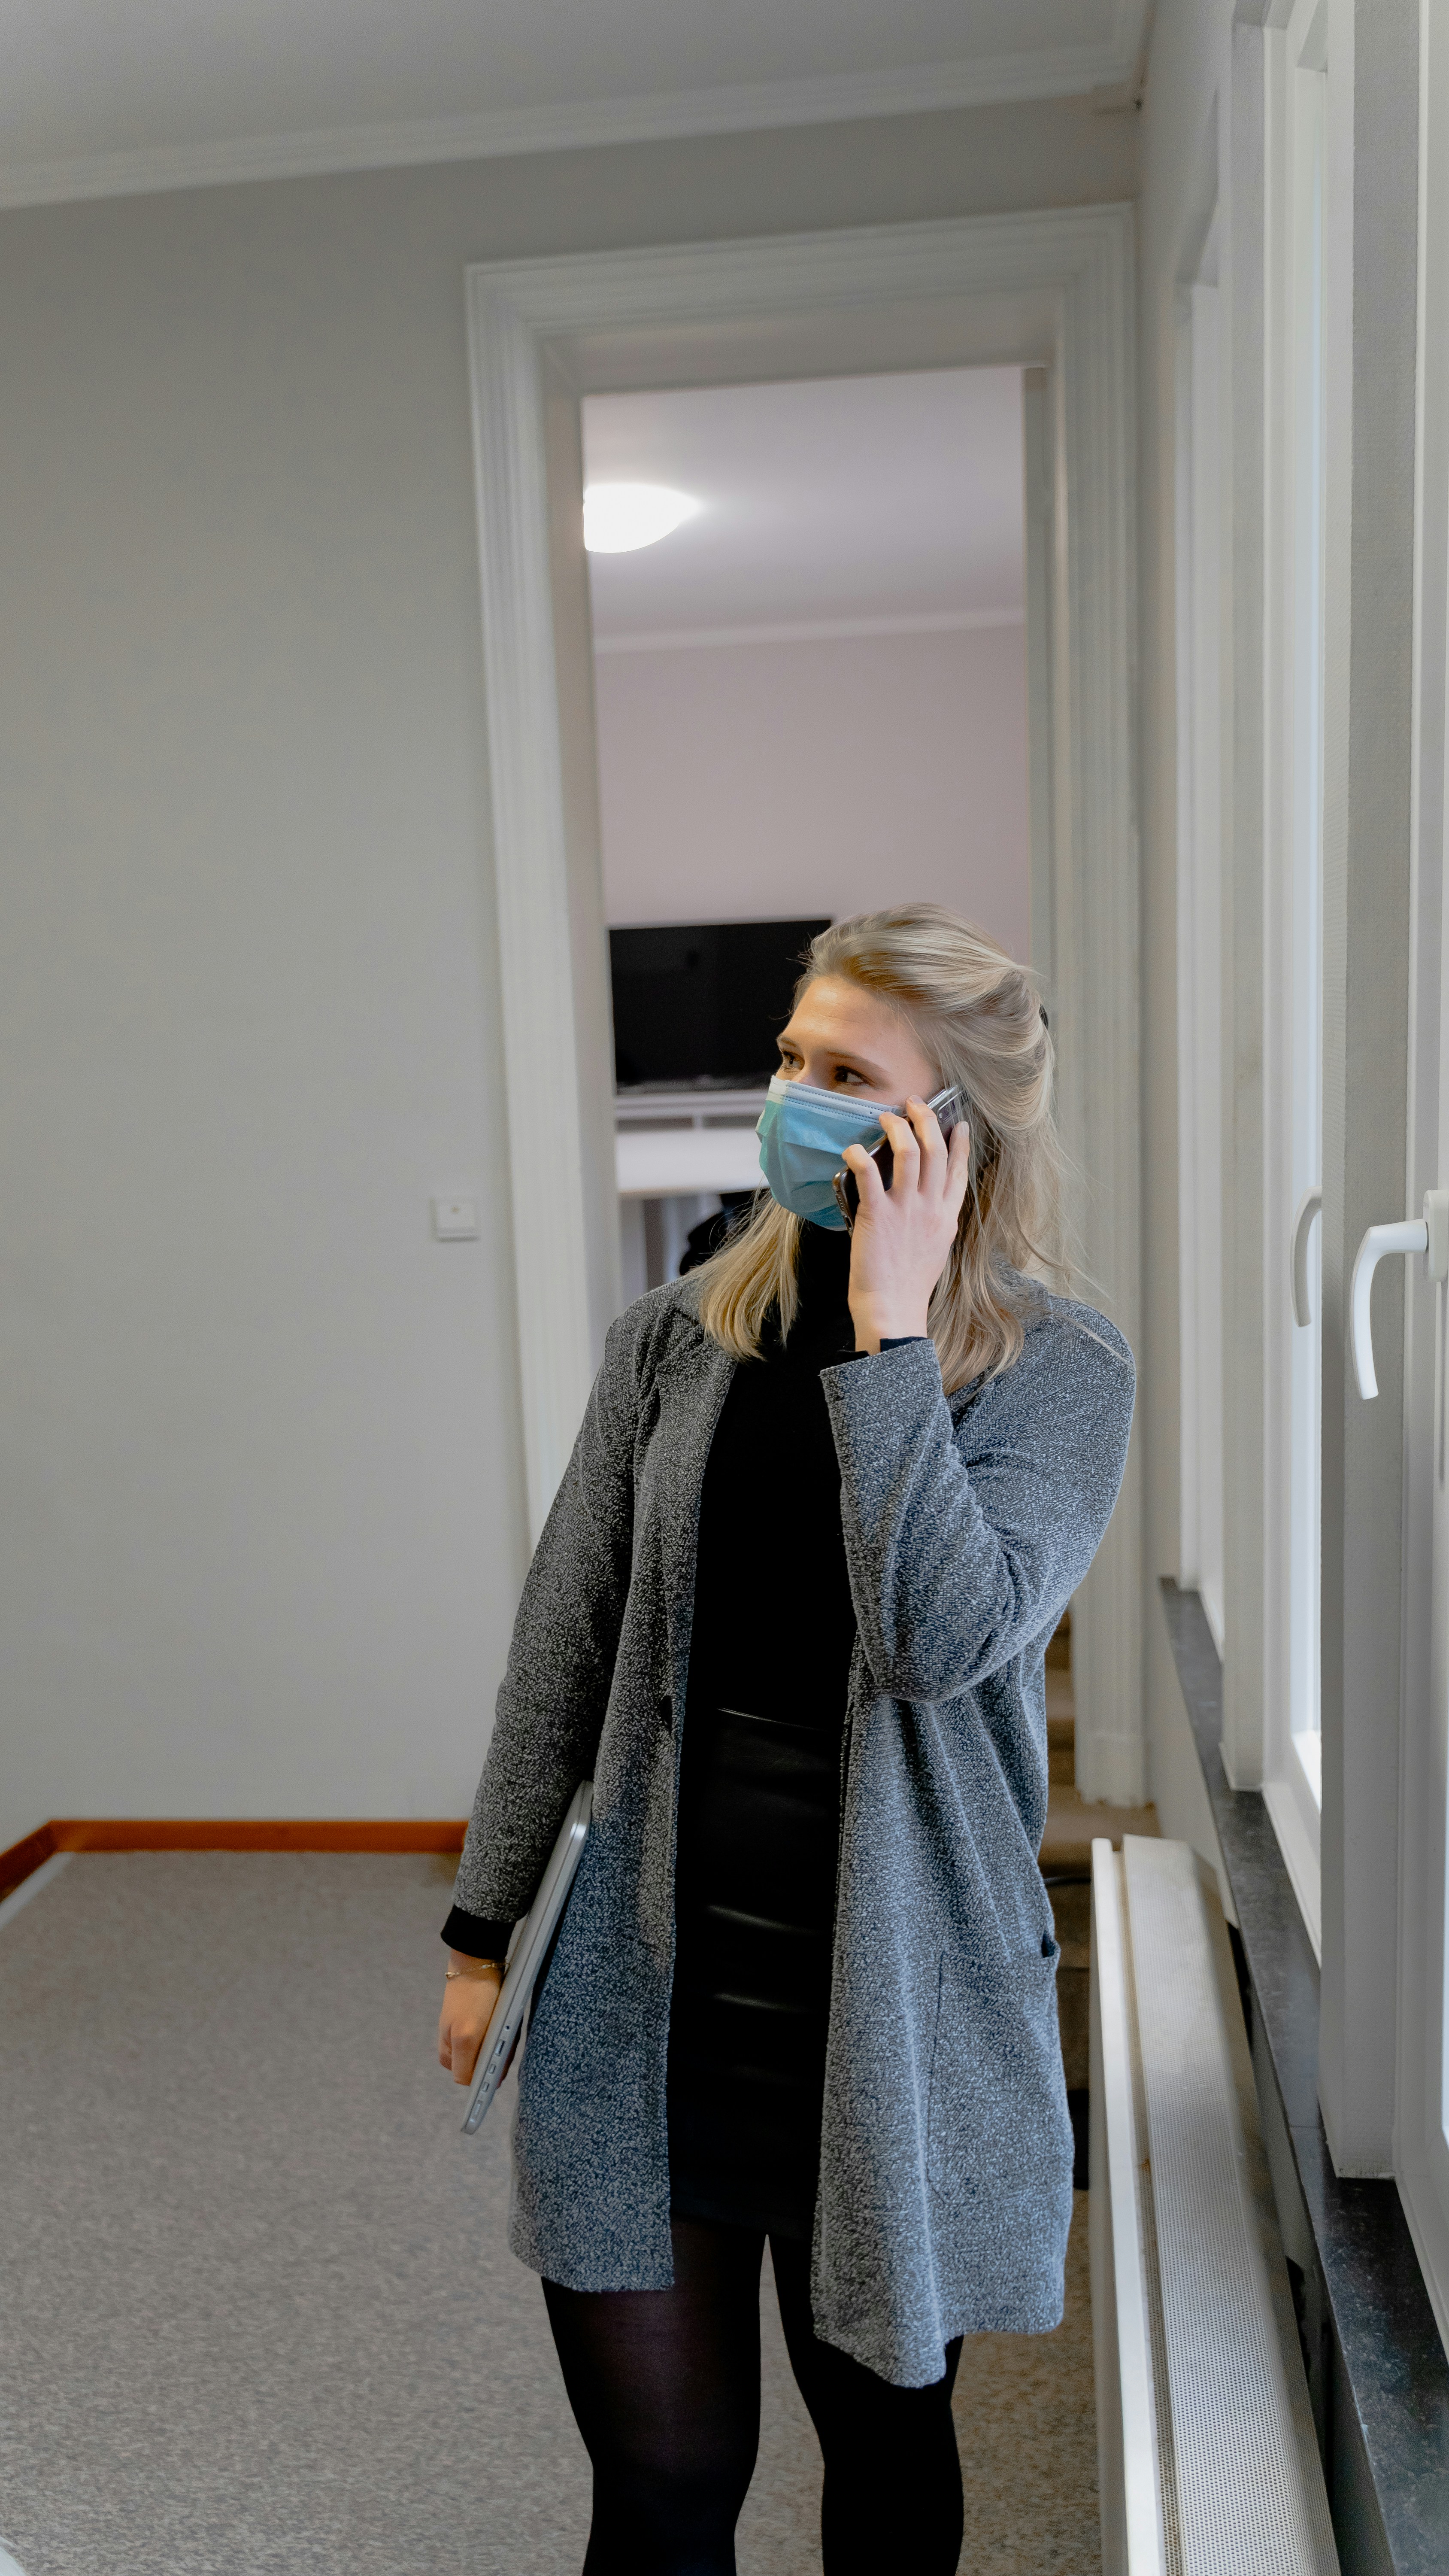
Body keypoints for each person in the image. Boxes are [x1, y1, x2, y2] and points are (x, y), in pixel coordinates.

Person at [437, 905, 1134, 2576]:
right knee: (661, 2495)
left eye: (844, 1073)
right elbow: (566, 1638)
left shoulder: (1060, 1373)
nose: (793, 1098)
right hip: (650, 1994)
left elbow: (939, 1636)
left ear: (948, 1128)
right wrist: (482, 1930)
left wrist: (888, 1332)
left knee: (885, 2474)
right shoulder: (674, 1340)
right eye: (788, 1059)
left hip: (884, 2016)